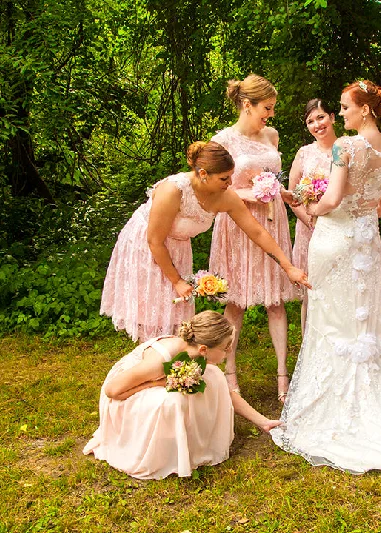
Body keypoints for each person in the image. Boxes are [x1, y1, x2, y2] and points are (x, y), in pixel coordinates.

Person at [271, 80, 381, 474]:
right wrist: (357, 215)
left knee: (329, 318)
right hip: (367, 241)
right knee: (362, 316)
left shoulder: (347, 147)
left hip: (333, 239)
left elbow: (331, 199)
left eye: (345, 107)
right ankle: (365, 392)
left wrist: (308, 205)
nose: (341, 114)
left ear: (364, 109)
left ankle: (329, 404)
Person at [100, 140, 309, 343]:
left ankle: (172, 368)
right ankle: (151, 365)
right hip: (146, 247)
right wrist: (177, 281)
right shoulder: (173, 190)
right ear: (203, 174)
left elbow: (257, 232)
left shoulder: (225, 196)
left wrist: (288, 266)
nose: (230, 184)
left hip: (179, 249)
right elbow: (154, 241)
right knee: (153, 317)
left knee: (177, 318)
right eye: (224, 178)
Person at [83, 311, 282, 480]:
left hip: (156, 380)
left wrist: (262, 421)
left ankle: (191, 443)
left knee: (214, 377)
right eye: (226, 347)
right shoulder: (158, 363)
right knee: (174, 399)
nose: (230, 351)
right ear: (204, 349)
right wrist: (158, 383)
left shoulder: (195, 353)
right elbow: (112, 391)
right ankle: (161, 454)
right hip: (127, 392)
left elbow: (227, 393)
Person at [209, 74, 297, 401]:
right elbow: (215, 189)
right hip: (238, 225)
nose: (270, 115)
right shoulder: (222, 141)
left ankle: (282, 378)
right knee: (236, 302)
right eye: (267, 108)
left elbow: (273, 178)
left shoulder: (271, 136)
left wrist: (283, 193)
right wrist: (250, 193)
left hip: (273, 223)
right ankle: (230, 377)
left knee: (275, 302)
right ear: (247, 105)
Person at [287, 98, 337, 332]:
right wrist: (310, 221)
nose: (317, 124)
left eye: (321, 117)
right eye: (310, 121)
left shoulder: (346, 149)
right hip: (309, 229)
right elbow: (293, 195)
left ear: (333, 117)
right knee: (312, 289)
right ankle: (310, 343)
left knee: (338, 287)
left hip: (339, 226)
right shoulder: (304, 153)